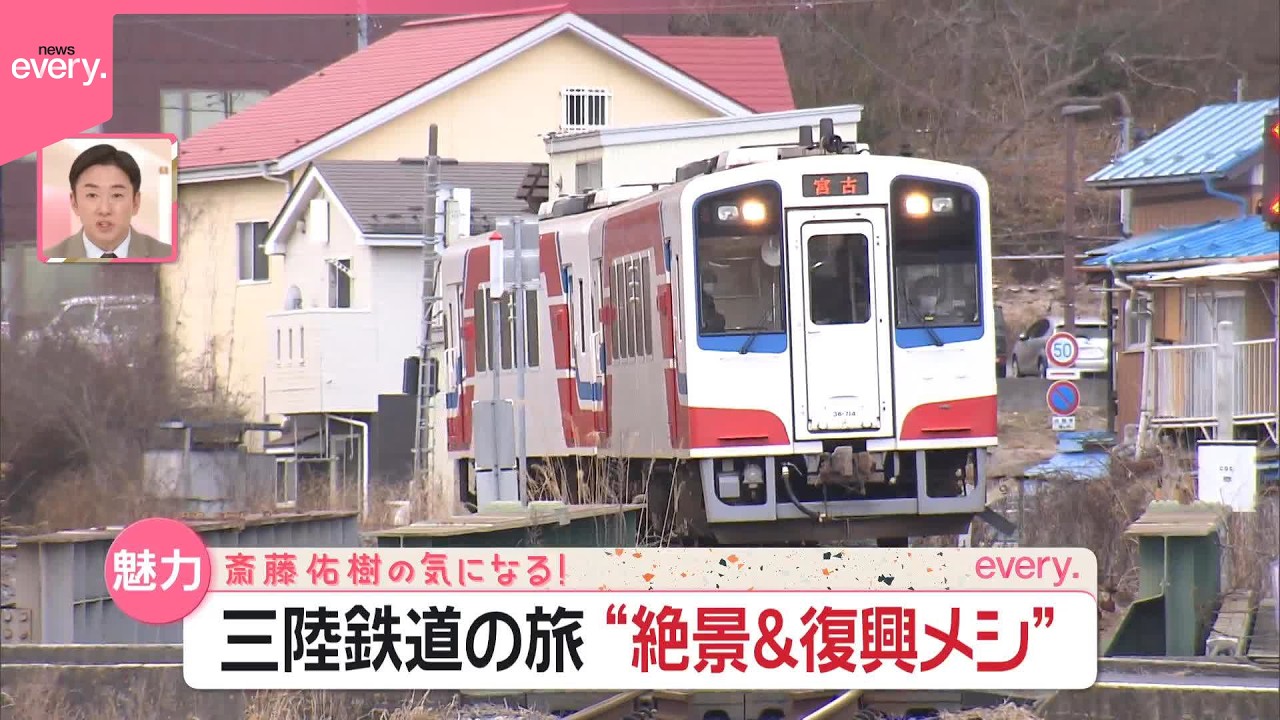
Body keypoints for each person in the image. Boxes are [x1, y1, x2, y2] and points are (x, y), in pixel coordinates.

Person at [43, 143, 171, 261]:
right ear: (74, 203)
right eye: (92, 195)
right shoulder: (50, 258)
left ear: (136, 202)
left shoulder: (167, 255)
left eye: (116, 195)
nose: (104, 209)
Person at [700, 267, 726, 333]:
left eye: (713, 281)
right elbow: (707, 321)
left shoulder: (708, 299)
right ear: (701, 283)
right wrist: (721, 319)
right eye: (708, 281)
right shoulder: (701, 300)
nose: (712, 284)